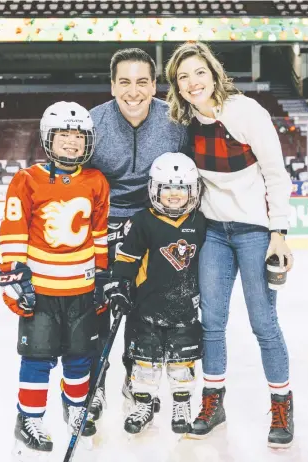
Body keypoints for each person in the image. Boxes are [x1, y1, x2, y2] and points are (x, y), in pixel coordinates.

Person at [165, 42, 295, 448]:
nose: (192, 82)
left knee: (263, 323)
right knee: (213, 323)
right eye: (183, 77)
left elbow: (276, 173)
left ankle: (281, 404)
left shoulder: (245, 112)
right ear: (177, 86)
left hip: (255, 230)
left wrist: (279, 233)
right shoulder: (184, 119)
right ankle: (213, 401)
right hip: (214, 232)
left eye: (198, 72)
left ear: (214, 73)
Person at [0, 102, 110, 458]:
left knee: (80, 356)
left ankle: (76, 408)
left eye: (79, 136)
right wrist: (14, 277)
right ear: (48, 138)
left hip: (82, 289)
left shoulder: (96, 181)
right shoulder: (26, 179)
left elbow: (100, 235)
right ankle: (28, 418)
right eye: (64, 135)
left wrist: (104, 277)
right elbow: (14, 230)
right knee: (37, 356)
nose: (72, 143)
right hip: (42, 290)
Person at [88, 48, 188, 420]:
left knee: (142, 315)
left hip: (152, 228)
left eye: (142, 82)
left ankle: (137, 385)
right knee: (97, 312)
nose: (134, 91)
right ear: (112, 85)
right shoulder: (93, 123)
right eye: (125, 82)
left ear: (154, 85)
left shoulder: (174, 121)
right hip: (102, 228)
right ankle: (95, 386)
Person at [105, 152, 206, 434]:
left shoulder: (200, 223)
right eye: (167, 188)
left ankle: (182, 404)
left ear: (193, 191)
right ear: (154, 190)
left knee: (181, 365)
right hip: (145, 307)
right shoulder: (142, 222)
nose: (174, 195)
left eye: (181, 189)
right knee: (144, 364)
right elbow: (127, 258)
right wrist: (120, 286)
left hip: (185, 308)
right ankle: (143, 404)